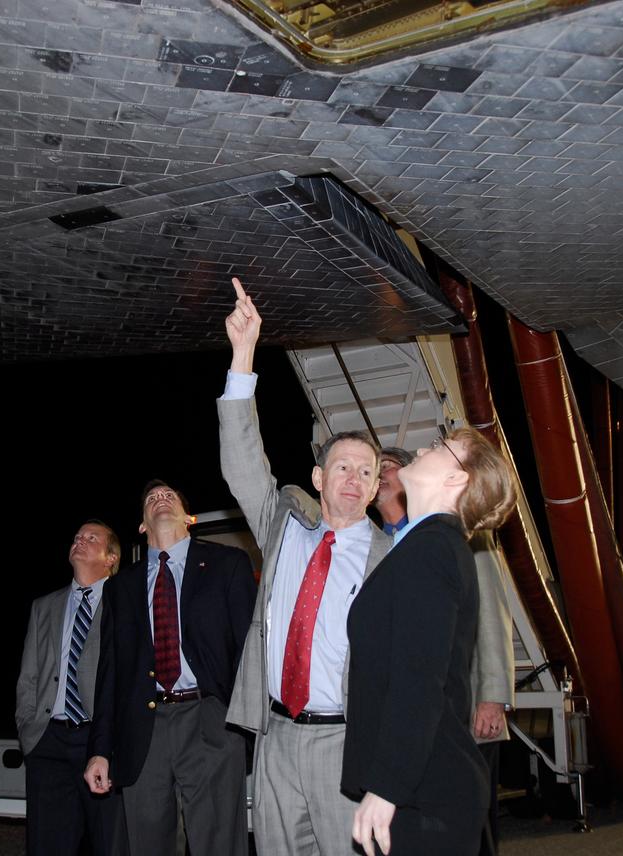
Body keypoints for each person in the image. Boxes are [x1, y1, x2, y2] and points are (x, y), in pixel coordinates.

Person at [220, 276, 390, 856]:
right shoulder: (284, 526)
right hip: (275, 736)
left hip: (344, 742)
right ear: (318, 479)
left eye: (366, 472)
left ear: (372, 489)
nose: (354, 478)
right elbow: (243, 459)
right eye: (342, 467)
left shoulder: (389, 562)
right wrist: (244, 355)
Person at [345, 428, 516, 856]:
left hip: (425, 793)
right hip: (427, 787)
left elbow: (419, 680)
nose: (425, 448)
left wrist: (387, 788)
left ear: (457, 480)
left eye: (442, 448)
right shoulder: (425, 546)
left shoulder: (433, 549)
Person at [86, 481, 257, 856]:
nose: (160, 499)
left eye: (170, 496)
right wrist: (100, 749)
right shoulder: (120, 587)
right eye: (151, 498)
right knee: (146, 844)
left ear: (189, 518)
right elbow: (109, 673)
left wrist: (248, 729)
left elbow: (249, 650)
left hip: (211, 721)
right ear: (142, 525)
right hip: (143, 731)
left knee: (219, 844)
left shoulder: (227, 565)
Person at [17, 521, 125, 856]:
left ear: (111, 558)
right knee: (47, 845)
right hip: (48, 741)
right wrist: (28, 728)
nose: (80, 541)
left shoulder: (128, 604)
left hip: (102, 741)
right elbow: (29, 676)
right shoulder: (44, 607)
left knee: (110, 843)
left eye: (92, 538)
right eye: (77, 537)